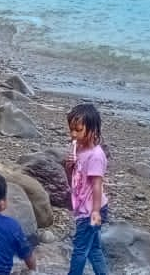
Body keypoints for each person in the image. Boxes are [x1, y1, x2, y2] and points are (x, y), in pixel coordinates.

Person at [65, 103, 109, 275]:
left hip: (91, 211)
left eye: (78, 130)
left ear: (92, 130)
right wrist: (69, 167)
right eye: (71, 130)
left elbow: (97, 185)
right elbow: (74, 181)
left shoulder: (96, 156)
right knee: (94, 249)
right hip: (84, 208)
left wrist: (96, 212)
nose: (73, 134)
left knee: (80, 250)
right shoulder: (80, 150)